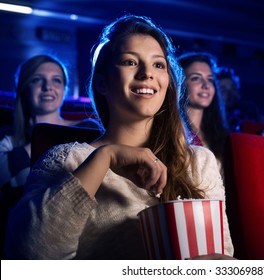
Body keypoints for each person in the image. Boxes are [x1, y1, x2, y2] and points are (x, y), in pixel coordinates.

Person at [4, 14, 234, 260]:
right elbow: (28, 255)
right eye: (130, 62)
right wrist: (105, 157)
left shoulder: (199, 162)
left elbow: (224, 255)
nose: (147, 73)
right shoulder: (67, 159)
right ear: (102, 82)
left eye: (158, 65)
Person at [0, 54, 101, 258]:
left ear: (64, 89)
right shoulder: (8, 139)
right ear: (24, 88)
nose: (48, 87)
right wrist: (41, 138)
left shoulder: (88, 128)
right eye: (38, 80)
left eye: (56, 80)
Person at [177, 52, 230, 166]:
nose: (206, 85)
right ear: (179, 83)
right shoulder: (173, 130)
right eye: (196, 78)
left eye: (210, 79)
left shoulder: (220, 133)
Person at [216, 66, 261, 132]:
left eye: (233, 87)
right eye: (223, 90)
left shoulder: (250, 109)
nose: (230, 93)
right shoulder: (211, 117)